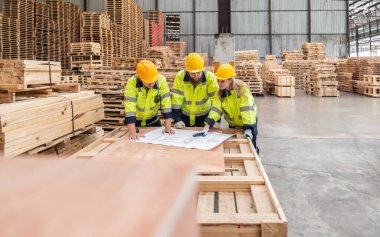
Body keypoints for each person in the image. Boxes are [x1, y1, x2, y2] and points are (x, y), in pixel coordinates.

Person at [171, 53, 221, 136]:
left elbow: (217, 101)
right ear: (187, 70)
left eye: (198, 72)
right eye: (192, 73)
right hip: (184, 118)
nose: (196, 76)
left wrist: (214, 120)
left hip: (205, 118)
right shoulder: (180, 76)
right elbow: (176, 99)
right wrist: (176, 119)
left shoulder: (209, 78)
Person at [124, 60, 174, 140]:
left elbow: (166, 104)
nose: (150, 84)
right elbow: (130, 108)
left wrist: (168, 126)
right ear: (140, 78)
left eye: (152, 81)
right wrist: (132, 132)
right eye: (147, 82)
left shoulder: (161, 81)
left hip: (153, 121)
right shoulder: (132, 82)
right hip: (135, 124)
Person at [214, 63, 259, 153]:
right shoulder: (220, 93)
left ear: (230, 80)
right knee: (236, 148)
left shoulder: (242, 90)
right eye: (218, 80)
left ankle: (255, 152)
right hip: (233, 124)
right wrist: (208, 124)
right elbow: (216, 109)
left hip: (248, 122)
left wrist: (248, 128)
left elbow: (248, 110)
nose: (219, 83)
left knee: (250, 146)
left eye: (222, 81)